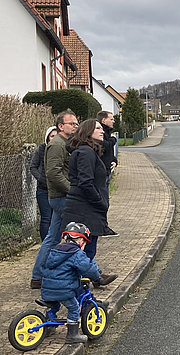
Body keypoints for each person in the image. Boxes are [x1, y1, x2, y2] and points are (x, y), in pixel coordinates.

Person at [60, 119, 117, 287]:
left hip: (86, 208)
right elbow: (85, 183)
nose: (102, 131)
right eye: (98, 128)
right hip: (84, 209)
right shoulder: (85, 152)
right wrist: (100, 202)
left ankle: (90, 281)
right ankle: (75, 291)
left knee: (85, 251)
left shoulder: (88, 151)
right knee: (85, 251)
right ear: (88, 132)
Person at [31, 110, 79, 289]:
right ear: (61, 126)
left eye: (76, 123)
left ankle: (39, 276)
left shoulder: (65, 143)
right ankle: (74, 273)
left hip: (60, 196)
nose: (75, 126)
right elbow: (53, 173)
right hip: (61, 197)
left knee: (52, 237)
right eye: (71, 123)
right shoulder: (57, 144)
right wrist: (71, 190)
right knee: (76, 234)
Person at [42, 222, 102, 344]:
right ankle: (72, 335)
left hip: (47, 288)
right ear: (80, 240)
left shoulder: (55, 251)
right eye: (84, 242)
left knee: (55, 304)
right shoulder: (76, 254)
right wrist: (97, 277)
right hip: (63, 290)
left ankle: (49, 324)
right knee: (74, 308)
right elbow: (88, 268)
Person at [30, 126, 58, 240]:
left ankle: (54, 241)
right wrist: (41, 179)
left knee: (55, 218)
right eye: (52, 136)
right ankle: (45, 242)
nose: (54, 138)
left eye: (56, 136)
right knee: (46, 217)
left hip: (57, 190)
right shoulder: (41, 149)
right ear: (47, 138)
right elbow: (33, 167)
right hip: (43, 190)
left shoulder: (62, 149)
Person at [97, 111, 119, 237]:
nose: (113, 121)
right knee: (102, 200)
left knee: (105, 200)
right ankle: (102, 227)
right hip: (101, 172)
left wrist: (114, 161)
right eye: (111, 119)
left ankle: (104, 225)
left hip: (107, 170)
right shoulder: (100, 133)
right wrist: (112, 140)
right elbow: (104, 146)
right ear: (104, 120)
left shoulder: (108, 134)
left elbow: (110, 153)